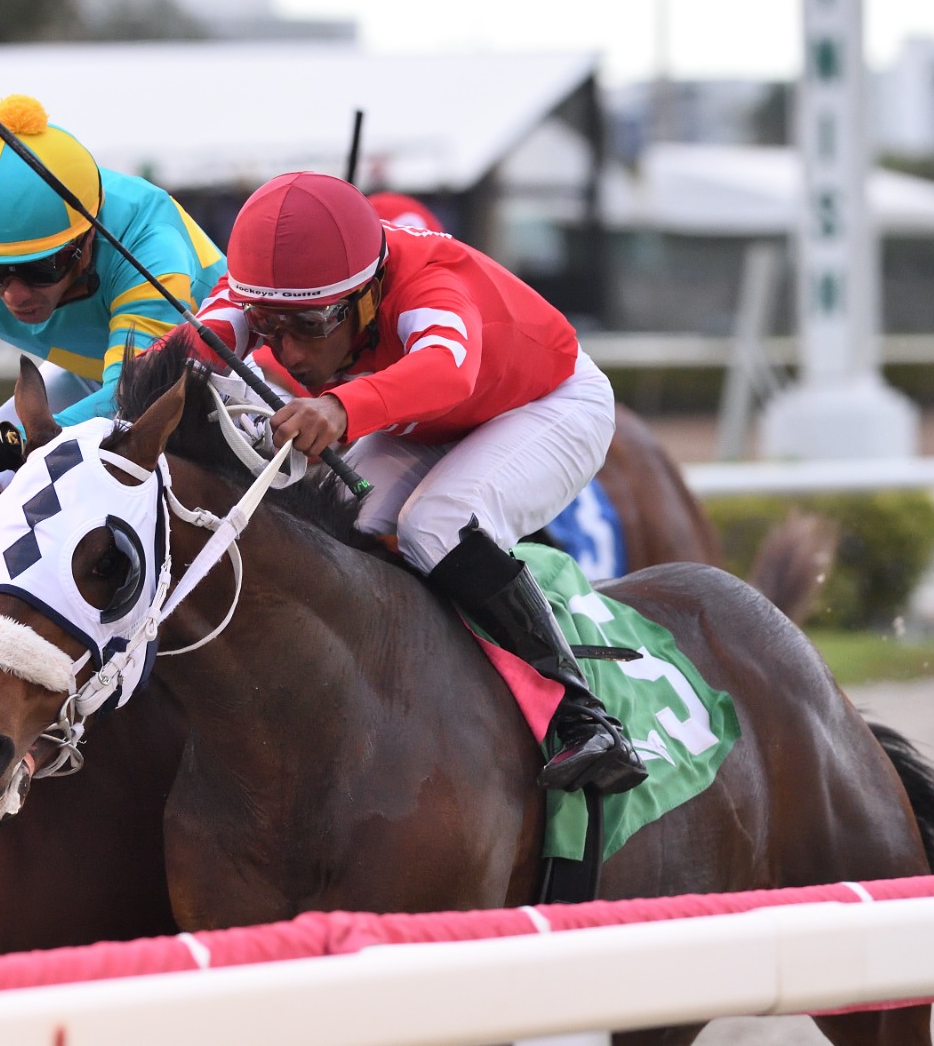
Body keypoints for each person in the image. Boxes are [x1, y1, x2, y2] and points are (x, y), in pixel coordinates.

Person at [166, 171, 646, 796]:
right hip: (433, 420)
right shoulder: (275, 290)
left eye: (309, 326)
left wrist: (338, 409)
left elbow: (447, 369)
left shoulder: (429, 283)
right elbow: (197, 345)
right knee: (342, 523)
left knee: (437, 522)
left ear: (364, 297)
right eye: (269, 323)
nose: (289, 351)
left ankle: (583, 718)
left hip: (547, 402)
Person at [0, 94, 226, 469]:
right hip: (104, 378)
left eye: (40, 267)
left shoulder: (152, 251)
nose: (15, 294)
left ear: (87, 238)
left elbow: (132, 402)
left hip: (225, 384)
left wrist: (12, 445)